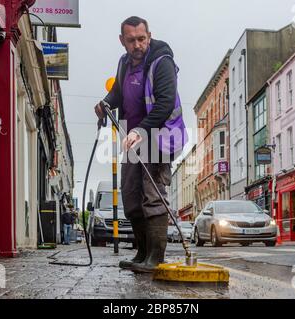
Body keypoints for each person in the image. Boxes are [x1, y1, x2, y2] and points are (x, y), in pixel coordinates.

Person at [95, 16, 187, 273]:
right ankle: (142, 253)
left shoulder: (162, 62)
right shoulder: (124, 62)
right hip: (133, 140)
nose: (137, 45)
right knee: (131, 196)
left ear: (149, 36)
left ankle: (155, 258)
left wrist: (140, 130)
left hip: (158, 137)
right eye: (131, 40)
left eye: (141, 39)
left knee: (152, 195)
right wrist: (105, 103)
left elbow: (165, 103)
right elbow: (119, 94)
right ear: (122, 41)